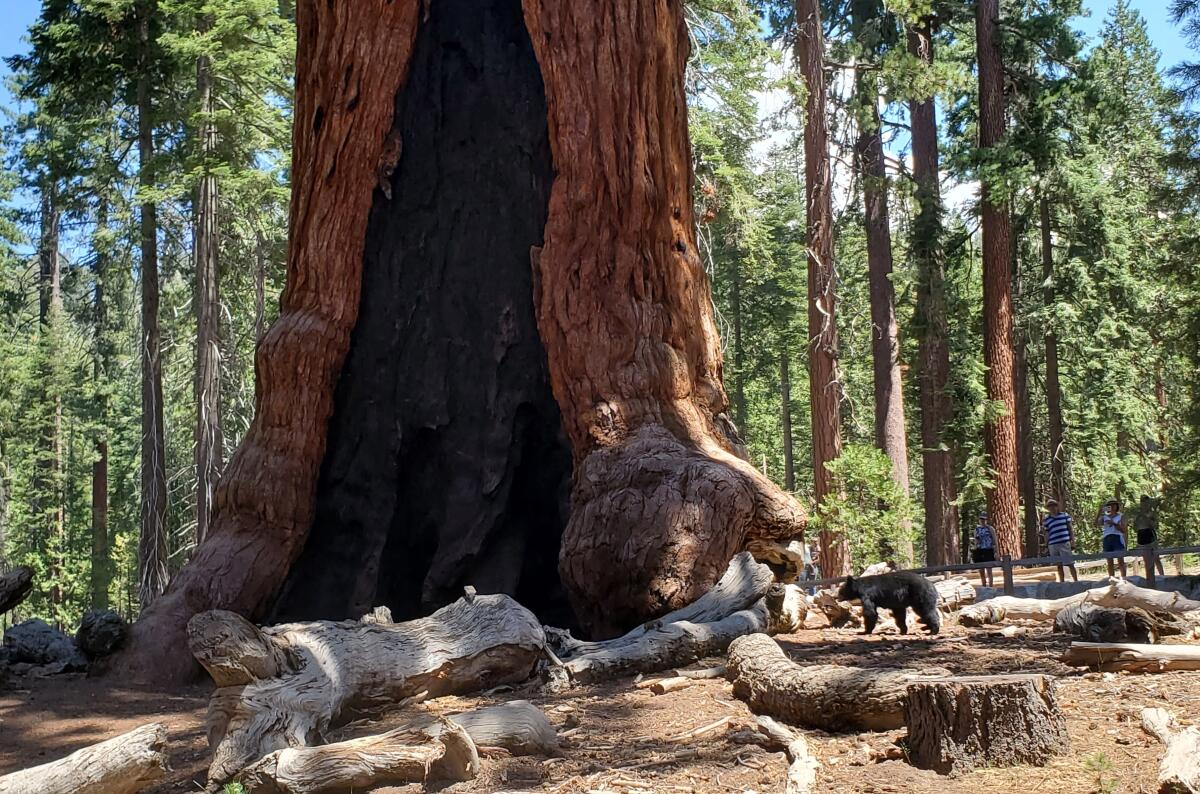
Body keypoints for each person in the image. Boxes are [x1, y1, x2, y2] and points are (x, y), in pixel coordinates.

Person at [1043, 498, 1078, 582]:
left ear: (1057, 506)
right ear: (1048, 508)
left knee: (1070, 563)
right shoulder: (1047, 520)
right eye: (1050, 506)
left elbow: (1070, 529)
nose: (1052, 508)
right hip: (1053, 544)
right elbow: (1047, 533)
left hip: (1064, 542)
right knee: (1058, 565)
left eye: (1054, 506)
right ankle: (1062, 582)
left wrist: (1073, 541)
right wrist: (1046, 545)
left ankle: (1076, 580)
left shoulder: (1064, 515)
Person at [1133, 494, 1166, 577]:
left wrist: (1148, 519)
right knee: (1146, 559)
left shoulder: (1151, 513)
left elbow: (1156, 525)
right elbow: (1135, 527)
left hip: (1150, 534)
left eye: (1146, 501)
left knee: (1156, 557)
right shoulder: (1137, 514)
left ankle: (1162, 576)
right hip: (1141, 535)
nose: (1144, 503)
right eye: (1142, 501)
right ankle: (1150, 578)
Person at [1099, 498, 1128, 578]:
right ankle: (1112, 578)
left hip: (1117, 538)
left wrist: (1114, 524)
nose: (1111, 506)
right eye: (1109, 505)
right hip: (1107, 538)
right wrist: (1100, 512)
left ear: (1116, 506)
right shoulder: (1105, 517)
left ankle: (1124, 578)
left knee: (1120, 560)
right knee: (1109, 560)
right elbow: (1096, 524)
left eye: (1113, 504)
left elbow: (1124, 530)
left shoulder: (1121, 516)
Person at [972, 512, 996, 587]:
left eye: (984, 519)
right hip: (979, 550)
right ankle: (984, 586)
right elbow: (976, 541)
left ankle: (991, 586)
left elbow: (995, 540)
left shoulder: (990, 528)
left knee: (989, 570)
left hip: (988, 550)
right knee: (981, 571)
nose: (983, 521)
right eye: (981, 519)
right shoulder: (976, 529)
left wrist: (996, 552)